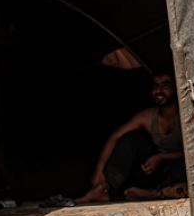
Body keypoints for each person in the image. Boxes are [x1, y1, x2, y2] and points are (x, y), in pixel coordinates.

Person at [77, 73, 188, 204]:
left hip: (178, 171)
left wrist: (161, 157)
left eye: (165, 85)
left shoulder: (186, 115)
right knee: (132, 140)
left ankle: (154, 194)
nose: (158, 90)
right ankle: (104, 190)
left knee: (186, 164)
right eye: (155, 85)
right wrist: (99, 172)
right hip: (154, 170)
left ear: (176, 88)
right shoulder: (148, 116)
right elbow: (115, 136)